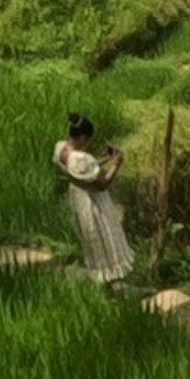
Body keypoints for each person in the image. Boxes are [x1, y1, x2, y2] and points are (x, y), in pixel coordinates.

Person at [52, 114, 130, 286]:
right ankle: (110, 271)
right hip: (91, 198)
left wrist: (104, 159)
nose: (86, 144)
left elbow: (84, 168)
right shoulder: (80, 159)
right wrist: (116, 164)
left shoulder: (61, 148)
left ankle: (97, 268)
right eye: (86, 140)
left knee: (89, 233)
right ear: (81, 137)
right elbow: (102, 184)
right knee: (103, 231)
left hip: (77, 193)